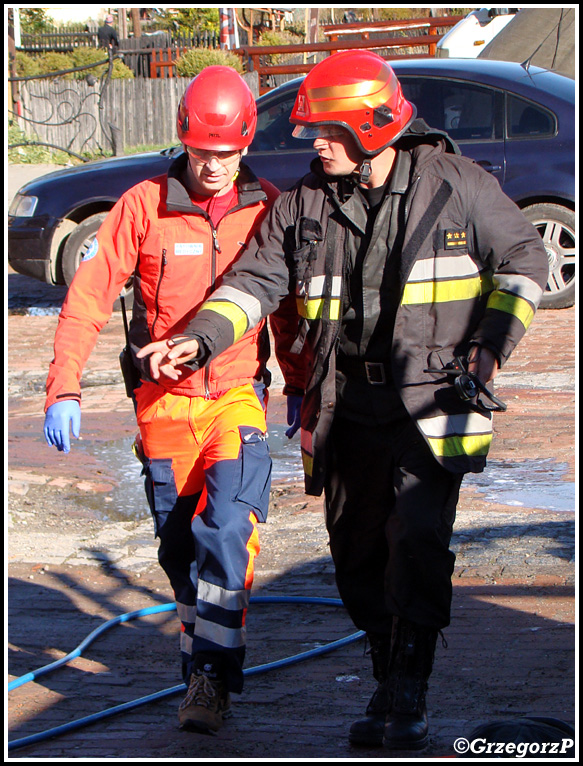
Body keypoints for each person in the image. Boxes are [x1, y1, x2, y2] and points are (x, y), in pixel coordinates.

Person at [136, 51, 549, 750]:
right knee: (356, 559)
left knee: (415, 541)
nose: (313, 143)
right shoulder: (302, 207)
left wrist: (487, 350)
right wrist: (198, 341)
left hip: (433, 400)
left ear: (369, 126)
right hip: (346, 406)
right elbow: (251, 284)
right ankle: (386, 666)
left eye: (325, 131)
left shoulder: (457, 186)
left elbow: (524, 262)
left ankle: (405, 690)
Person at [43, 66, 280, 734]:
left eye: (226, 156)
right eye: (202, 155)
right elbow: (87, 298)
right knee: (181, 556)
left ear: (245, 145)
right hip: (164, 408)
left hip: (236, 398)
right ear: (184, 140)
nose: (213, 168)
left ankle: (210, 679)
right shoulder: (142, 205)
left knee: (228, 530)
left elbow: (289, 314)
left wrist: (310, 396)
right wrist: (65, 385)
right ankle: (198, 659)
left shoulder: (268, 207)